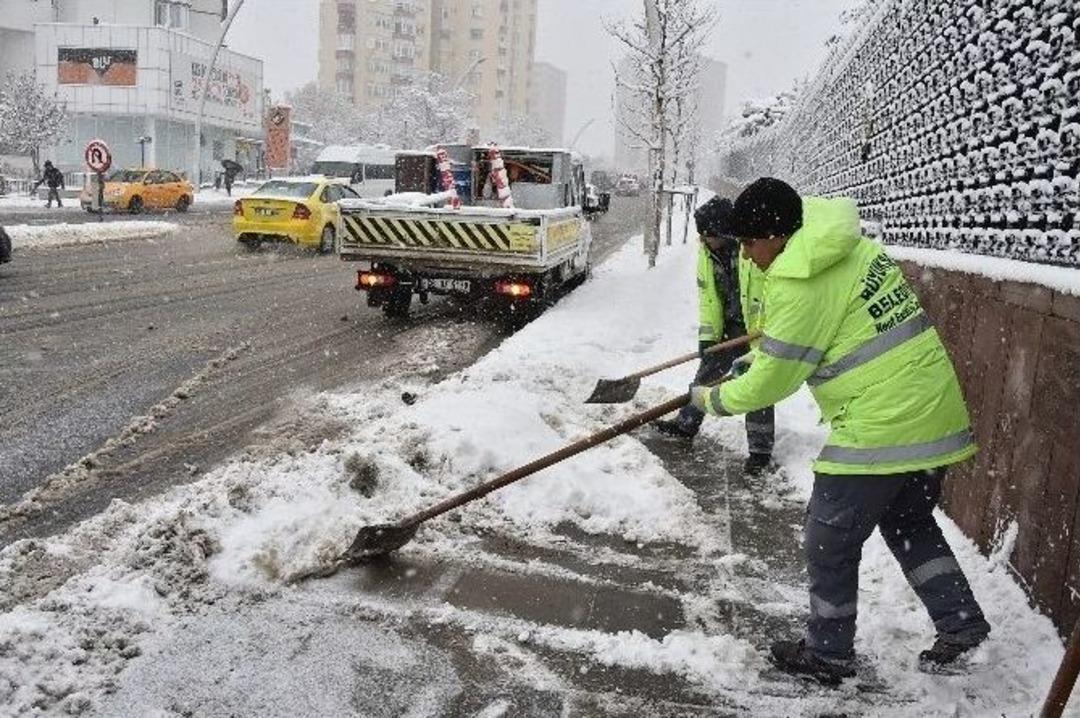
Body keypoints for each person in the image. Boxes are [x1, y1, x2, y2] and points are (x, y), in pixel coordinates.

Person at [689, 178, 990, 685]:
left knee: (827, 539)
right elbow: (807, 339)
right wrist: (751, 360)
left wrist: (708, 398)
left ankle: (828, 655)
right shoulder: (843, 246)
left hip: (884, 421)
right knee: (908, 522)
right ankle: (960, 622)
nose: (747, 255)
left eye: (750, 243)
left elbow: (774, 382)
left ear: (776, 235)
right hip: (930, 410)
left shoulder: (800, 280)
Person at [653, 196, 776, 476]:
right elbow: (709, 297)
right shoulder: (708, 253)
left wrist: (767, 329)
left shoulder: (750, 250)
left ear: (725, 232)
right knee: (707, 374)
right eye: (703, 236)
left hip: (757, 328)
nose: (705, 241)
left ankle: (760, 450)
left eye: (709, 236)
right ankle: (686, 424)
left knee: (759, 385)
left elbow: (771, 291)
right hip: (729, 327)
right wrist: (709, 337)